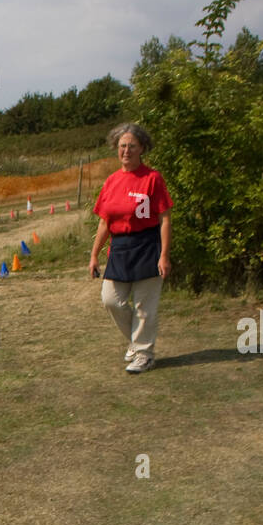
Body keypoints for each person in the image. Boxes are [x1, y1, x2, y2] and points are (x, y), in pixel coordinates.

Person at [89, 122, 173, 374]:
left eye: (132, 146)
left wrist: (164, 255)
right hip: (120, 248)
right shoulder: (112, 181)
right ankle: (137, 344)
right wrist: (94, 255)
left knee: (144, 308)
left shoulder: (152, 178)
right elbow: (105, 222)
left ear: (142, 148)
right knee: (111, 300)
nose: (126, 151)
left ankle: (144, 354)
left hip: (147, 245)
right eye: (122, 146)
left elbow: (165, 218)